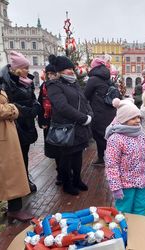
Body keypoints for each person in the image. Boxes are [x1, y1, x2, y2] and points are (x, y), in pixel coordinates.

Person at [0, 47, 33, 222]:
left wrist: (10, 109)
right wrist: (14, 109)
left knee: (11, 172)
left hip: (3, 133)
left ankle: (13, 209)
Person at [47, 55, 93, 195]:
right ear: (60, 71)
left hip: (79, 127)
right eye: (68, 69)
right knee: (66, 158)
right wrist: (83, 118)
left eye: (72, 68)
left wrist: (90, 114)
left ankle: (77, 180)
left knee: (78, 155)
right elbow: (62, 107)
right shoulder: (54, 85)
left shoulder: (74, 83)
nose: (71, 71)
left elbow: (84, 101)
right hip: (66, 128)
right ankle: (67, 183)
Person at [0, 51, 40, 193]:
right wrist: (28, 111)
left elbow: (33, 98)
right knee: (15, 156)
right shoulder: (5, 82)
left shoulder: (26, 81)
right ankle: (16, 184)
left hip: (26, 124)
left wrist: (36, 106)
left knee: (24, 153)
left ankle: (25, 179)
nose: (28, 71)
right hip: (15, 124)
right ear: (17, 68)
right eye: (25, 68)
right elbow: (8, 103)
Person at [105, 99, 145, 215]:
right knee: (124, 211)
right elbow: (111, 165)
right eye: (133, 118)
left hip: (141, 180)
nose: (137, 121)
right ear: (123, 119)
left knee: (141, 207)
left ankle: (139, 229)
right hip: (125, 184)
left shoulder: (140, 135)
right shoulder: (116, 139)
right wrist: (116, 187)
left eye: (138, 117)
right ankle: (124, 231)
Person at [84, 58, 117, 165]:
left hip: (98, 112)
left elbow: (85, 95)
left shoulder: (93, 79)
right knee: (107, 135)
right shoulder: (108, 78)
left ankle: (104, 159)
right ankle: (106, 158)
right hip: (110, 111)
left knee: (99, 136)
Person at [37, 64, 62, 185]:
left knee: (65, 148)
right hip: (49, 121)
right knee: (56, 149)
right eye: (49, 73)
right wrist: (42, 121)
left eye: (53, 73)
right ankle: (60, 173)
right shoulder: (44, 86)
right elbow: (40, 104)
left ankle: (67, 172)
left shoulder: (63, 85)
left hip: (63, 122)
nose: (51, 76)